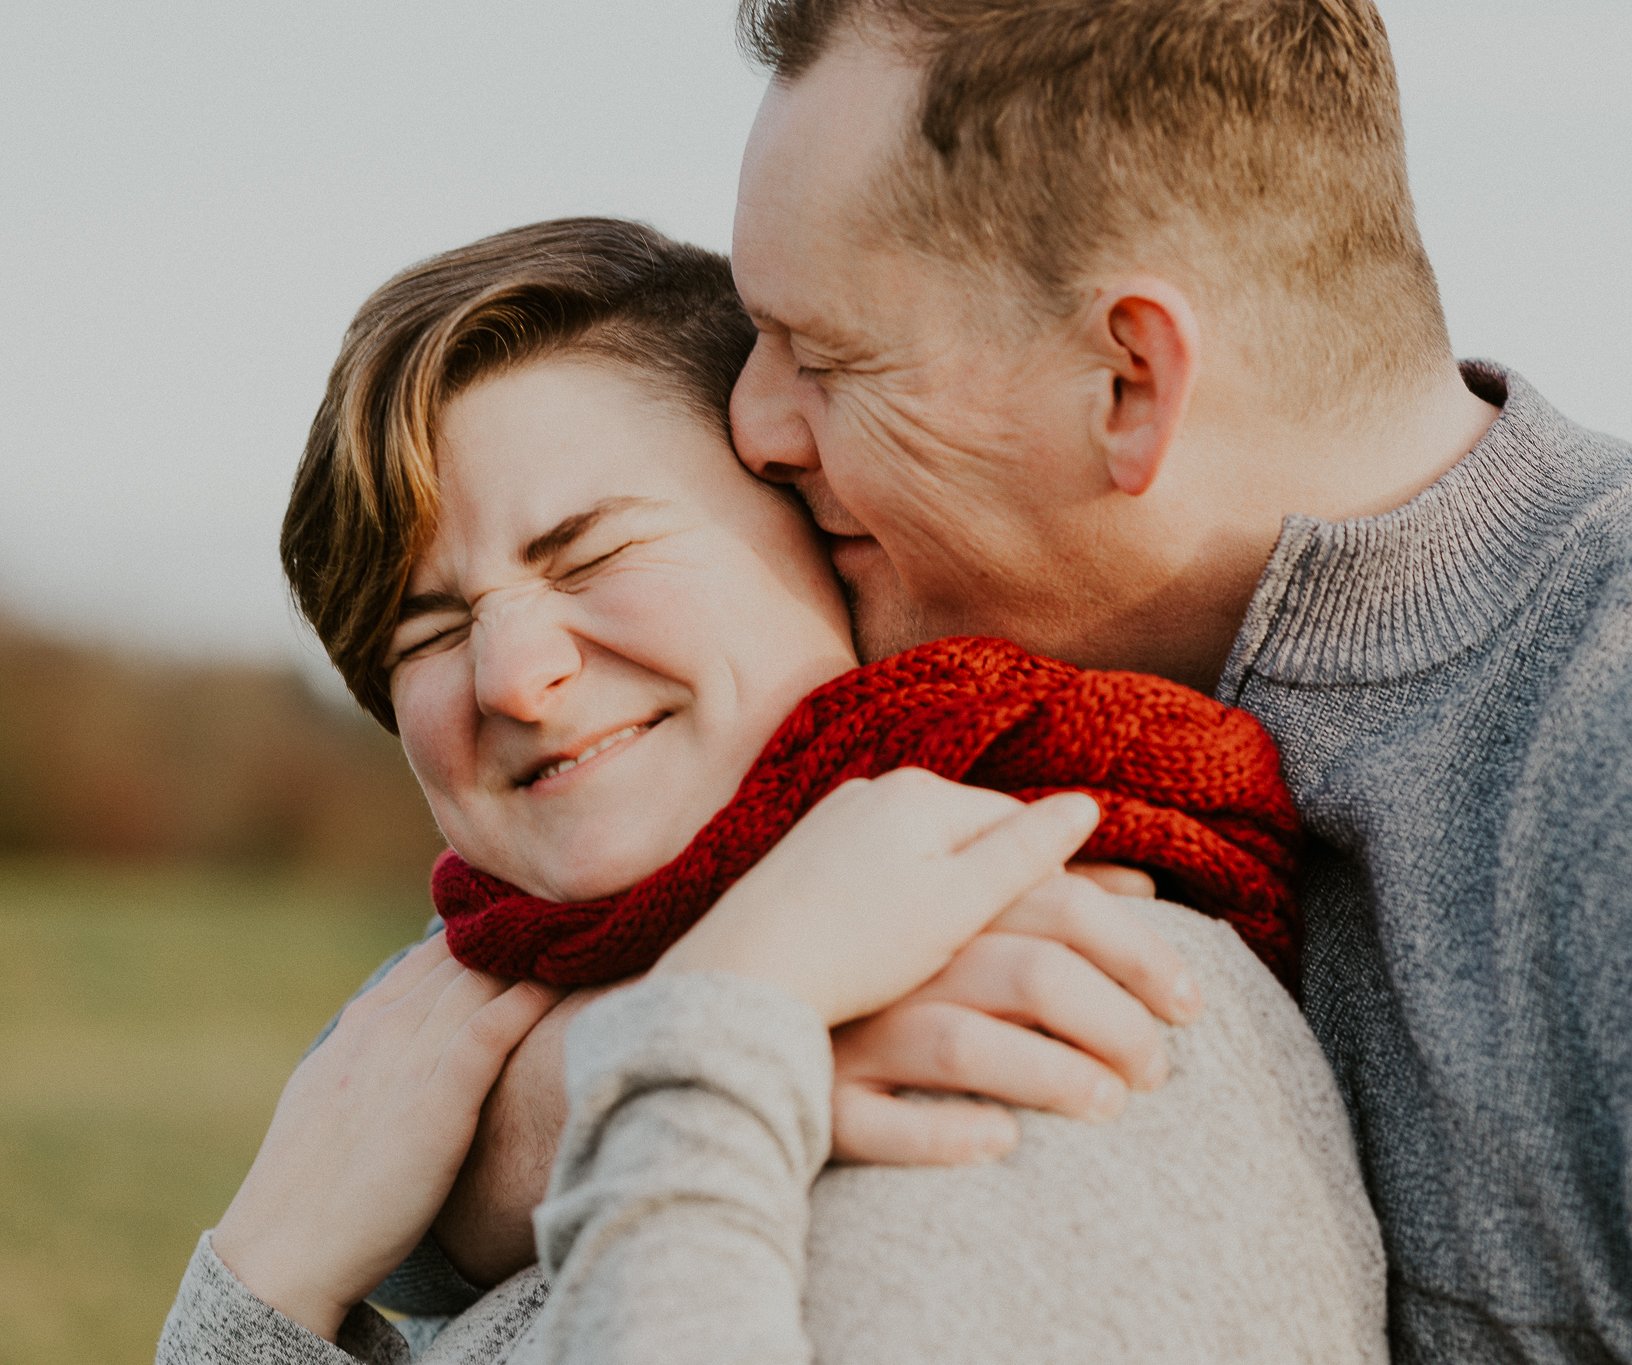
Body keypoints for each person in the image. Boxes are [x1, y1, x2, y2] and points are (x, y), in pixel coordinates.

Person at [423, 1, 1632, 1360]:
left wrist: (711, 1045)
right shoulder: (954, 683)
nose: (754, 430)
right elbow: (474, 1031)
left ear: (1130, 381)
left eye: (823, 358)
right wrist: (667, 1063)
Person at [156, 217, 1387, 1363]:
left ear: (828, 524)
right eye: (426, 628)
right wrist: (271, 1271)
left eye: (592, 550)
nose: (514, 678)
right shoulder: (450, 1046)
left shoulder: (1049, 999)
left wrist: (707, 1027)